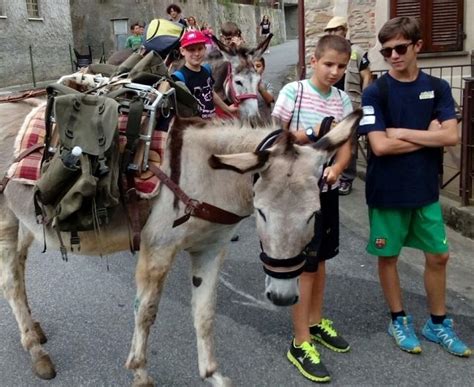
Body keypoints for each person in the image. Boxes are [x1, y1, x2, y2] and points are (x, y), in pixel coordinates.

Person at [359, 16, 471, 358]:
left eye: (400, 48)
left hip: (425, 190)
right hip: (387, 191)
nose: (393, 55)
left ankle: (437, 324)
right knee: (388, 256)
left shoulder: (437, 87)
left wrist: (402, 132)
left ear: (417, 46)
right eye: (386, 50)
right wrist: (429, 135)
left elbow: (451, 136)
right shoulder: (375, 92)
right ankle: (399, 318)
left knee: (439, 255)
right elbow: (379, 147)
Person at [272, 34, 353, 383]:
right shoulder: (294, 92)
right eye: (329, 64)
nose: (334, 72)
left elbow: (348, 143)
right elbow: (276, 137)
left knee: (321, 260)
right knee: (304, 266)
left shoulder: (343, 99)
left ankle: (316, 322)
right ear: (314, 61)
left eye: (341, 66)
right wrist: (308, 134)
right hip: (297, 193)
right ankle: (299, 340)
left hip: (327, 190)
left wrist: (337, 169)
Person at [324, 16, 372, 195]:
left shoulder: (356, 51)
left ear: (344, 29)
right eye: (329, 31)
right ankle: (331, 172)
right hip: (330, 102)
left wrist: (365, 98)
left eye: (335, 29)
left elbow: (366, 75)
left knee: (348, 141)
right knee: (330, 137)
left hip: (351, 103)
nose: (332, 33)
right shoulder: (328, 51)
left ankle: (346, 178)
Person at [171, 30, 238, 119]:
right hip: (195, 126)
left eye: (200, 48)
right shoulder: (179, 77)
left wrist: (227, 109)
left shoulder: (206, 70)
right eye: (191, 50)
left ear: (205, 49)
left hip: (211, 122)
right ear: (182, 51)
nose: (197, 53)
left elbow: (211, 92)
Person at [253, 57, 274, 124]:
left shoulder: (267, 84)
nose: (255, 69)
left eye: (258, 66)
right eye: (252, 66)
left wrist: (259, 86)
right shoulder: (243, 86)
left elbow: (270, 100)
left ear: (263, 68)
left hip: (265, 123)